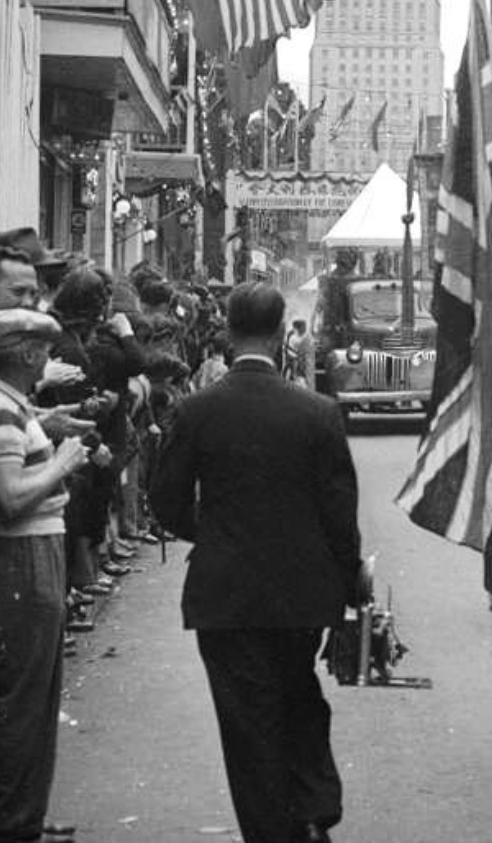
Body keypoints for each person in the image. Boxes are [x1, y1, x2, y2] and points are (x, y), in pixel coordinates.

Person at [149, 281, 363, 842]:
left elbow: (165, 500)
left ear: (227, 331)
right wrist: (350, 583)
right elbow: (340, 512)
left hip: (226, 593)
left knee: (247, 723)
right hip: (302, 592)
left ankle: (273, 830)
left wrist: (212, 532)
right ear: (276, 334)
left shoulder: (196, 411)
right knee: (298, 692)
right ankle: (313, 802)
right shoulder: (317, 413)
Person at [0, 308, 91, 843]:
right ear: (29, 355)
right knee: (25, 697)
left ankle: (23, 816)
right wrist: (62, 463)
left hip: (30, 550)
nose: (49, 359)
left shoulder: (4, 404)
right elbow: (12, 496)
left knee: (35, 694)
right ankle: (10, 823)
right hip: (18, 553)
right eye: (43, 350)